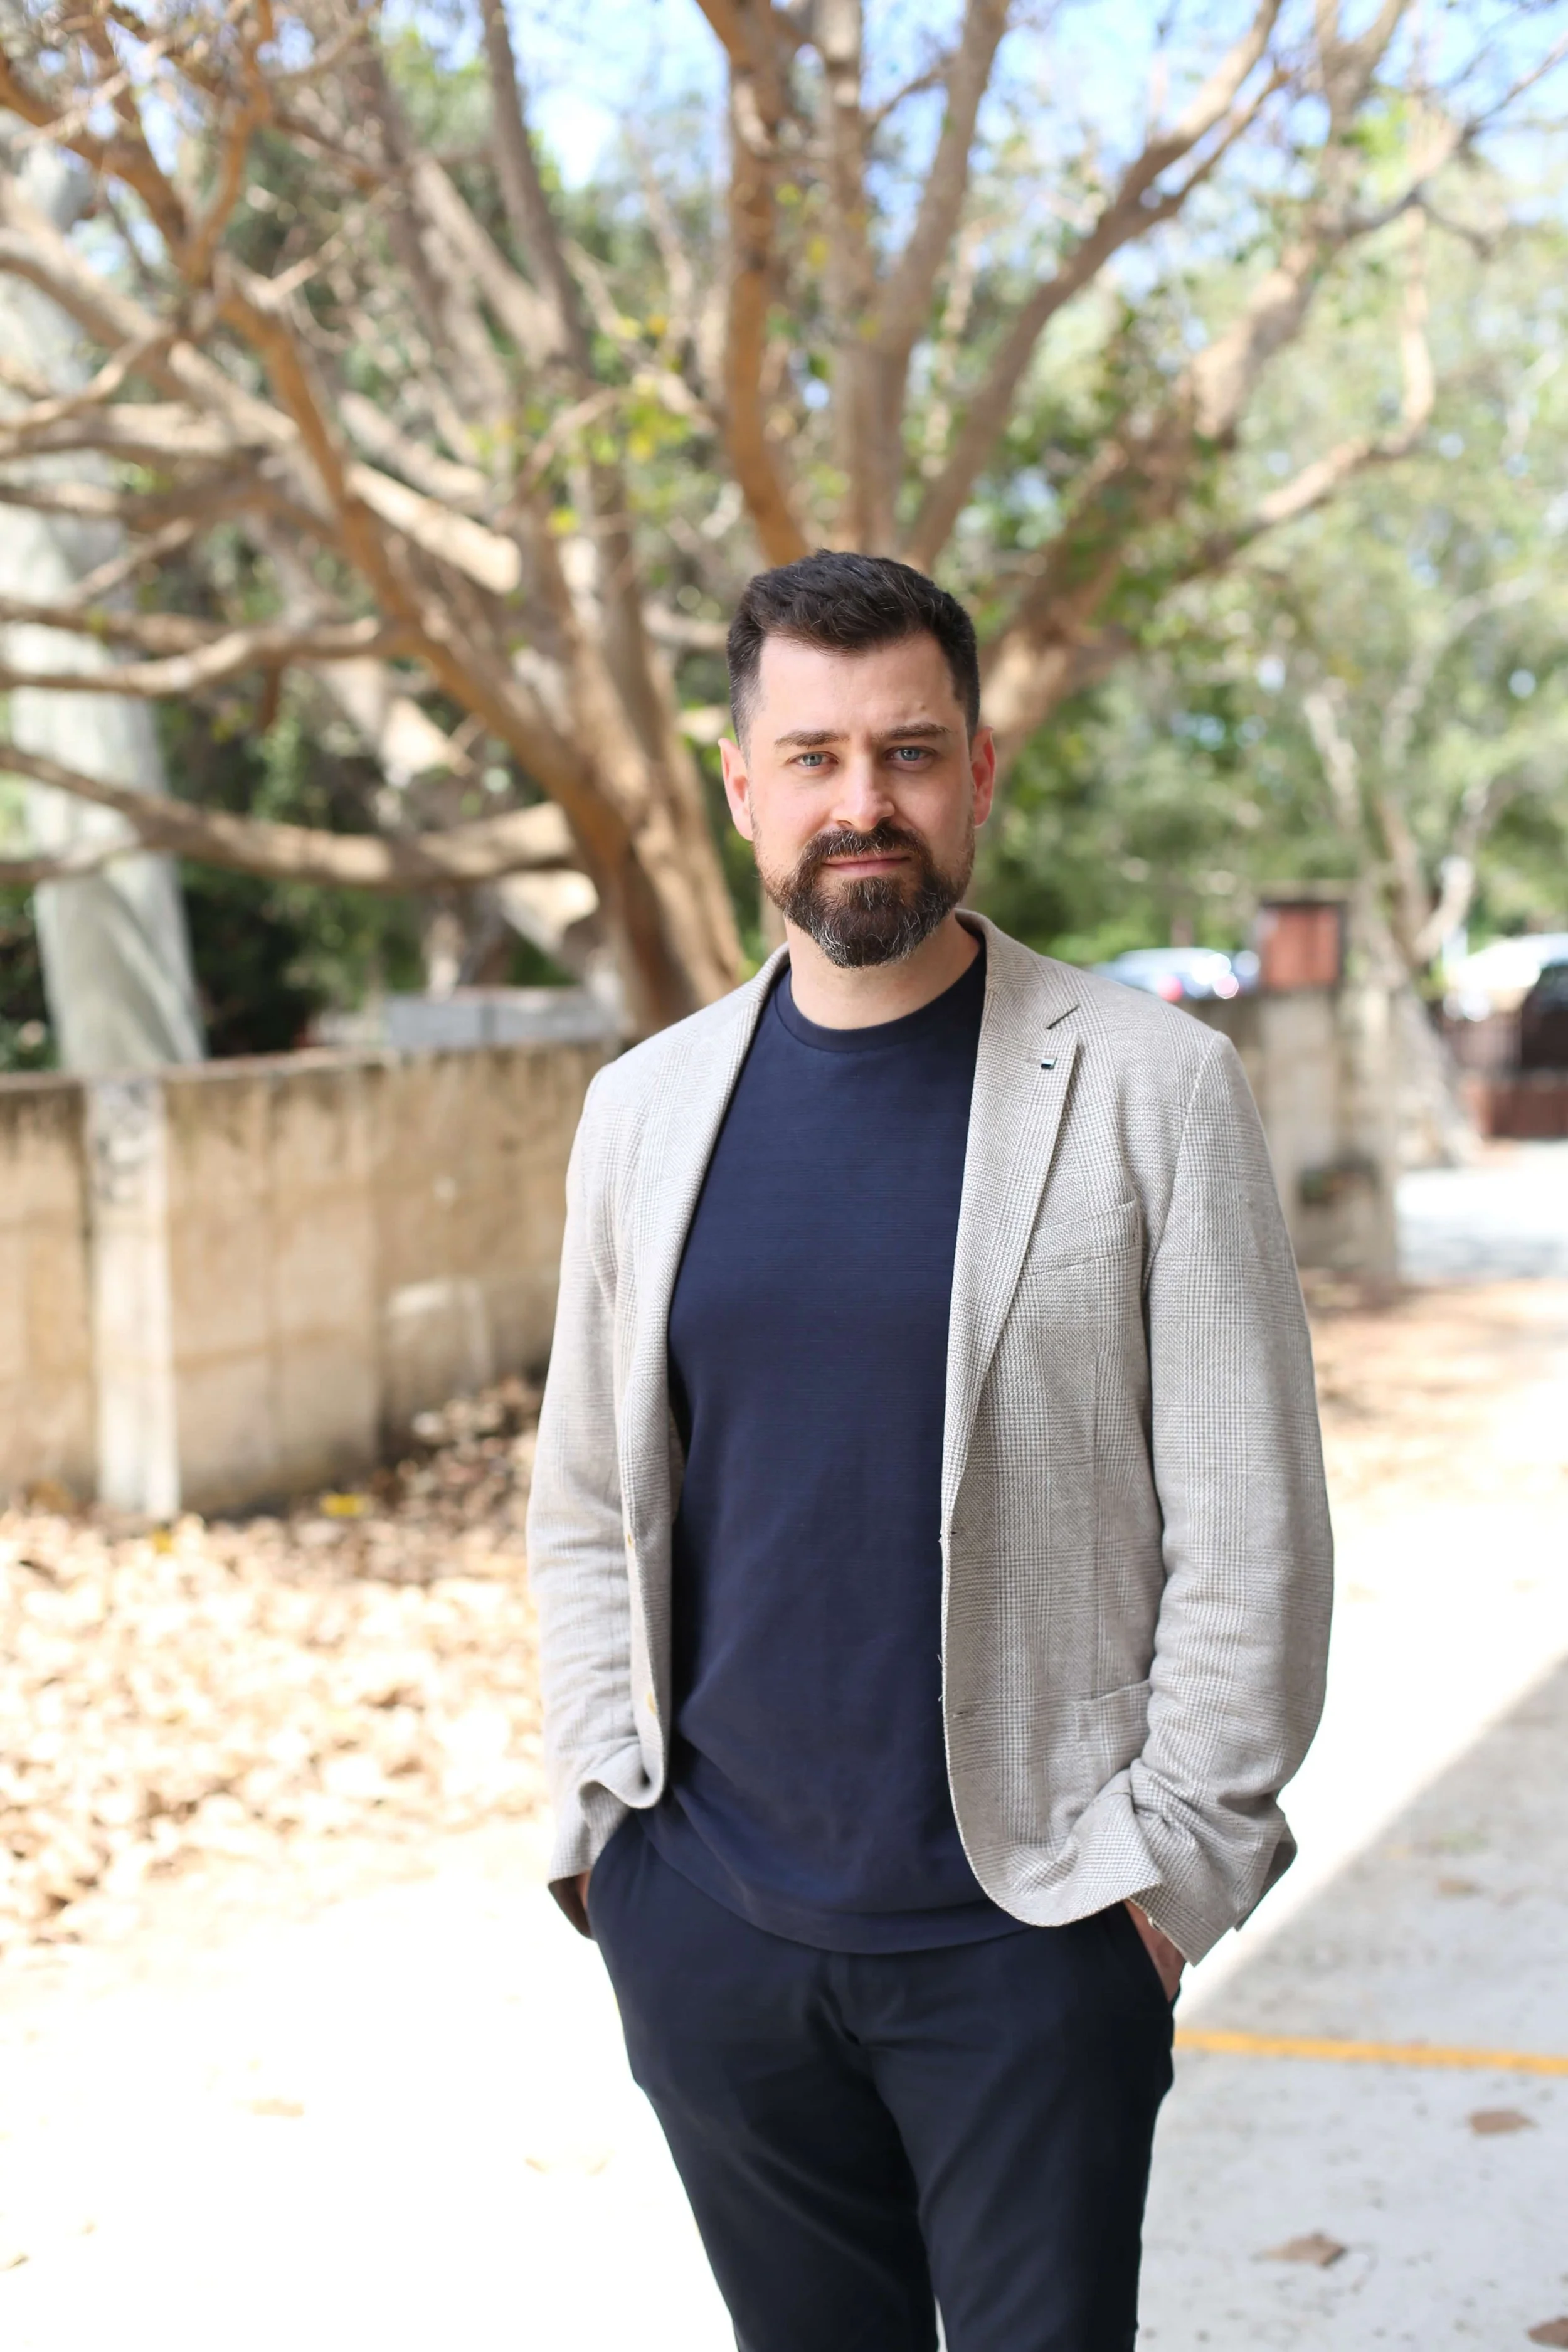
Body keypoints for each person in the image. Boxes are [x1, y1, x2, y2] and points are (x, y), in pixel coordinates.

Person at [527, 549, 1333, 2352]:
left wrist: (1161, 1889)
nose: (861, 802)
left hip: (1031, 1936)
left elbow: (1252, 1527)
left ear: (976, 772)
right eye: (811, 757)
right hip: (713, 1926)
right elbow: (585, 1497)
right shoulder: (641, 1112)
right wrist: (606, 1837)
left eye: (906, 751)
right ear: (741, 787)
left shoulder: (1148, 1088)